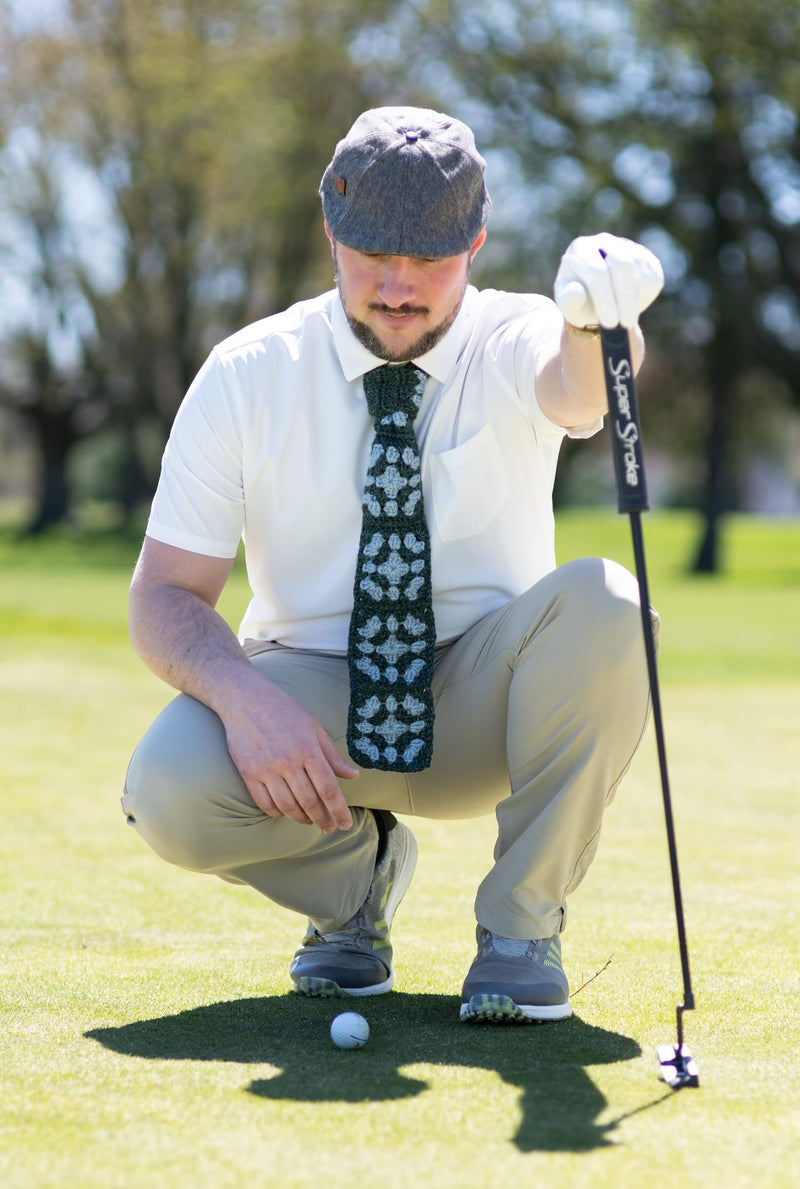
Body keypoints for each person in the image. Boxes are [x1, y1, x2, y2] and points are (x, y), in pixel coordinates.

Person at [123, 106, 664, 1024]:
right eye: (374, 250)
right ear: (331, 231)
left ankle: (521, 930)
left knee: (613, 599)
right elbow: (165, 598)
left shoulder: (517, 333)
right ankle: (356, 884)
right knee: (165, 788)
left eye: (432, 255)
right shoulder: (246, 370)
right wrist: (246, 699)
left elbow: (578, 395)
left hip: (486, 706)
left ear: (478, 243)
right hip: (313, 719)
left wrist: (598, 321)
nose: (400, 283)